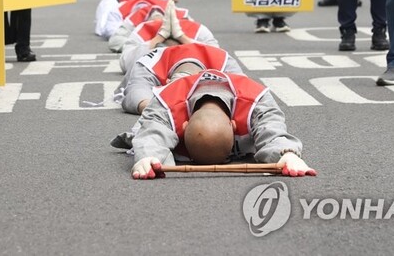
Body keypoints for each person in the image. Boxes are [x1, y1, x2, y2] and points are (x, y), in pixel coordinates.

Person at [113, 69, 316, 179]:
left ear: (234, 125)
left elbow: (272, 130)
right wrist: (148, 158)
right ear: (183, 127)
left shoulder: (257, 99)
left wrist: (286, 154)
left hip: (221, 63)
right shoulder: (165, 103)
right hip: (175, 70)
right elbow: (151, 133)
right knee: (138, 96)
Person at [119, 43, 243, 114]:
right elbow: (135, 93)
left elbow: (245, 93)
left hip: (194, 39)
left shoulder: (224, 61)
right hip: (153, 44)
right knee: (131, 56)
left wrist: (182, 36)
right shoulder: (147, 62)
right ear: (166, 83)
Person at [118, 0, 219, 74]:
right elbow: (125, 63)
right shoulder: (142, 29)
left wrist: (182, 37)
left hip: (190, 69)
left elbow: (218, 58)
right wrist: (159, 38)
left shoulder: (197, 29)